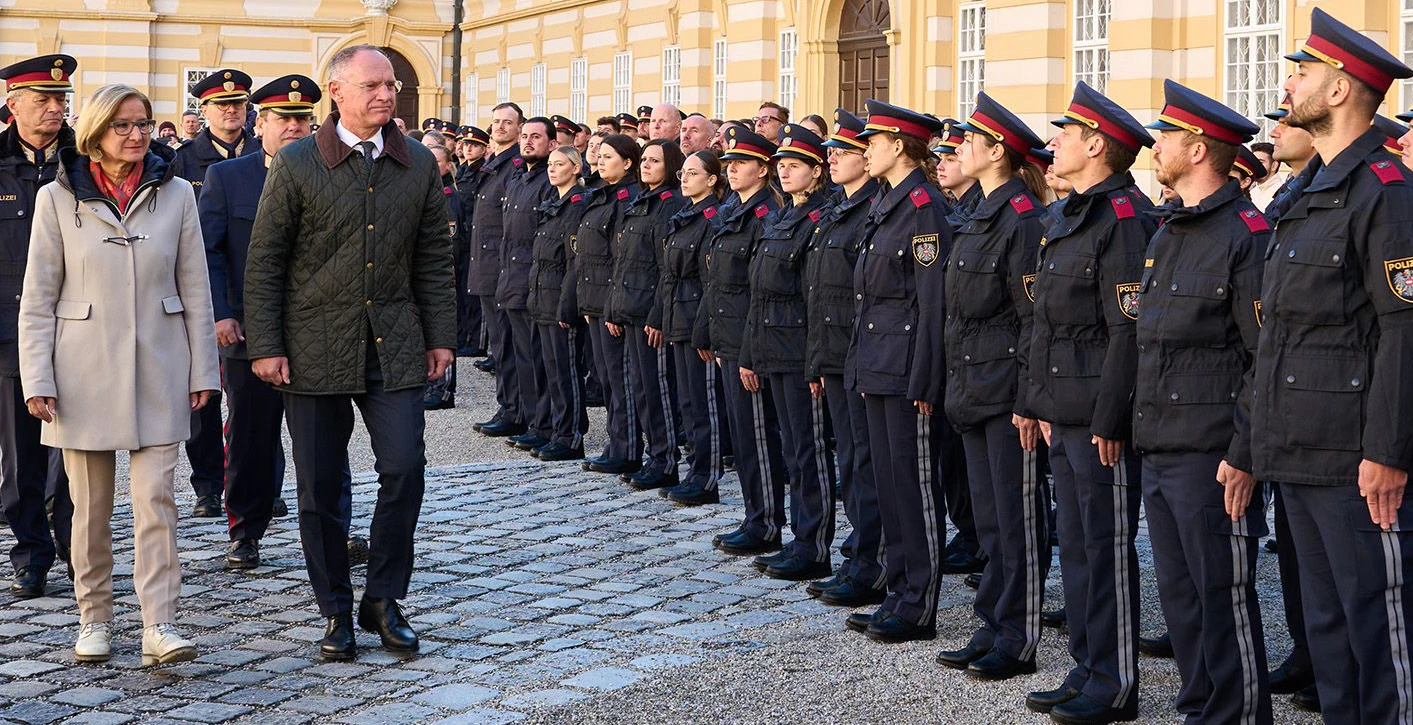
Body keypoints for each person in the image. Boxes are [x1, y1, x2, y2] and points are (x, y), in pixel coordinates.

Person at [243, 44, 457, 662]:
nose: (385, 94)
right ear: (336, 92)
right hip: (312, 346)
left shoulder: (417, 161)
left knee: (405, 469)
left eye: (391, 84)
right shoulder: (298, 161)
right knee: (319, 485)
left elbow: (432, 257)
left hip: (393, 343)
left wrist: (441, 336)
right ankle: (335, 609)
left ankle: (383, 599)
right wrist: (267, 345)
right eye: (372, 85)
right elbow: (266, 260)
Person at [20, 83, 220, 666]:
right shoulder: (56, 198)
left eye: (143, 124)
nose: (136, 135)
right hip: (81, 369)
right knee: (88, 508)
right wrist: (38, 378)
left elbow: (196, 288)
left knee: (157, 500)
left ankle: (160, 623)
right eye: (123, 125)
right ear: (96, 131)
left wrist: (203, 369)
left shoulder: (177, 192)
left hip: (161, 364)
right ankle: (94, 618)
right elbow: (38, 297)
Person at [1253, 10, 1413, 721]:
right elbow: (1281, 334)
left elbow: (1404, 329)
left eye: (1302, 73)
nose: (1288, 86)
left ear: (1341, 88)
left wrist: (1387, 451)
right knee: (1329, 636)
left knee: (1379, 636)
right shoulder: (1311, 192)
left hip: (1356, 460)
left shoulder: (1385, 191)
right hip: (1299, 448)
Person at [1137, 80, 1273, 724]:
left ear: (1197, 150)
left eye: (1166, 137)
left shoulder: (1245, 235)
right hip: (1161, 439)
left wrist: (1243, 452)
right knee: (1181, 595)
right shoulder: (1170, 232)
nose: (1155, 147)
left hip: (1213, 449)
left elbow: (1263, 355)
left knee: (1223, 594)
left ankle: (1237, 713)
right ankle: (1200, 706)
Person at [1024, 81, 1155, 725]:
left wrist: (1111, 418)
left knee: (1105, 545)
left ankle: (1115, 681)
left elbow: (1126, 331)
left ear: (1097, 145)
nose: (1054, 144)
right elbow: (1045, 323)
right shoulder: (1070, 214)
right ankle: (1086, 663)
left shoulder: (1123, 220)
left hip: (1100, 416)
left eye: (1066, 135)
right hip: (1064, 408)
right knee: (1076, 545)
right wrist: (1038, 402)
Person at [933, 92, 1051, 681]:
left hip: (1007, 392)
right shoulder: (983, 213)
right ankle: (992, 621)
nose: (958, 151)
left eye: (969, 143)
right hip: (973, 385)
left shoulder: (1022, 220)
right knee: (989, 518)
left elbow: (1033, 319)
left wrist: (1030, 399)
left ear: (997, 151)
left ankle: (1017, 636)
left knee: (1016, 518)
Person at [842, 100, 950, 644]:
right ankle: (897, 590)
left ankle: (917, 604)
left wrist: (926, 377)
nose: (865, 150)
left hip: (907, 369)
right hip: (878, 363)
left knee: (913, 487)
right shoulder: (889, 204)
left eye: (873, 142)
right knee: (888, 484)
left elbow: (932, 303)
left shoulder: (924, 209)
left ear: (900, 146)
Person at [201, 74, 312, 568]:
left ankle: (332, 527)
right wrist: (221, 313)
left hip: (316, 329)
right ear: (259, 123)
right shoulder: (228, 177)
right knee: (249, 435)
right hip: (247, 330)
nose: (293, 127)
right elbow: (209, 251)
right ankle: (245, 530)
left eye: (302, 119)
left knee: (322, 439)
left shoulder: (334, 174)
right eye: (283, 119)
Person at [739, 124, 836, 581]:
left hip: (799, 350)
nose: (785, 172)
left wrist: (815, 361)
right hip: (772, 346)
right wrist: (751, 352)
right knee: (792, 450)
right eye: (781, 165)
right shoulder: (782, 216)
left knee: (808, 451)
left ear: (816, 171)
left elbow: (816, 299)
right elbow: (759, 292)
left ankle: (813, 545)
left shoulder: (819, 218)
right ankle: (799, 538)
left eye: (795, 165)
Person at [0, 53, 75, 600]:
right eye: (43, 99)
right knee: (22, 454)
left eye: (61, 99)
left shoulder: (83, 161)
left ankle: (77, 548)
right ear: (13, 104)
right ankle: (30, 553)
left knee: (77, 452)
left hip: (77, 326)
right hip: (11, 330)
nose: (55, 108)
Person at [803, 109, 886, 606]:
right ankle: (859, 553)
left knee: (866, 463)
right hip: (835, 354)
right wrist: (817, 360)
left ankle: (871, 561)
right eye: (831, 151)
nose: (832, 159)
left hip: (860, 355)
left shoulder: (870, 209)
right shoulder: (840, 209)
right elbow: (820, 293)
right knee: (852, 462)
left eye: (843, 152)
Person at [172, 67, 258, 519]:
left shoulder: (265, 154)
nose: (230, 111)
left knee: (255, 402)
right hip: (199, 294)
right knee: (203, 398)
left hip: (251, 294)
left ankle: (262, 484)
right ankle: (207, 485)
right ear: (203, 110)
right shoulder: (184, 161)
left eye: (238, 104)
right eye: (221, 105)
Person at [698, 126, 787, 556]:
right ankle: (755, 515)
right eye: (729, 163)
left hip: (748, 340)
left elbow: (759, 291)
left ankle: (766, 522)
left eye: (741, 163)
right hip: (728, 335)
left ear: (763, 169)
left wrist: (749, 350)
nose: (731, 170)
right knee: (744, 432)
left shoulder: (765, 214)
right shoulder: (734, 208)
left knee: (757, 435)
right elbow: (717, 279)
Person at [607, 139, 687, 488]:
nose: (647, 166)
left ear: (671, 166)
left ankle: (665, 460)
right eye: (645, 160)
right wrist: (614, 307)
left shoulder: (669, 205)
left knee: (657, 390)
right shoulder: (641, 201)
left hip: (650, 312)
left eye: (655, 161)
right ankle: (652, 454)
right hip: (630, 307)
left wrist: (657, 316)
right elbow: (623, 262)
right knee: (640, 387)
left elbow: (666, 268)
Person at [656, 150, 727, 505]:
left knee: (703, 404)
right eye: (682, 172)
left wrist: (703, 330)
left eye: (693, 173)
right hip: (679, 318)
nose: (684, 178)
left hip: (697, 321)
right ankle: (694, 470)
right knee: (688, 401)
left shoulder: (712, 219)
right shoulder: (686, 215)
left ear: (712, 180)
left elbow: (710, 283)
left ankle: (706, 477)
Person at [573, 134, 643, 475]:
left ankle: (627, 447)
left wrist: (613, 306)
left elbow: (621, 259)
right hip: (595, 299)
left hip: (612, 303)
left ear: (627, 163)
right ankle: (616, 443)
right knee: (607, 376)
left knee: (620, 377)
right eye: (599, 156)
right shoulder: (602, 193)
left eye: (609, 156)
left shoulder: (627, 199)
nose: (600, 161)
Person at [495, 117, 556, 453]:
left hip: (534, 282)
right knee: (522, 356)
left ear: (551, 143)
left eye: (536, 137)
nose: (528, 142)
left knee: (538, 358)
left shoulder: (549, 180)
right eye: (525, 136)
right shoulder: (518, 179)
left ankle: (544, 424)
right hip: (512, 279)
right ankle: (530, 419)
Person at [527, 146, 590, 461]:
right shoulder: (554, 204)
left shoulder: (576, 206)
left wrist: (567, 305)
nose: (552, 169)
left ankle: (570, 437)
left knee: (566, 372)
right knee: (550, 369)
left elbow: (574, 263)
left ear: (576, 168)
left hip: (560, 302)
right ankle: (555, 429)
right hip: (543, 297)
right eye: (550, 164)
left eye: (560, 164)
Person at [467, 102, 525, 437]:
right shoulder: (493, 163)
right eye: (496, 122)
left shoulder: (514, 165)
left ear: (519, 128)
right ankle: (508, 405)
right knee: (500, 344)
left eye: (507, 122)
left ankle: (514, 409)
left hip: (501, 267)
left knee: (507, 345)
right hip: (486, 265)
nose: (500, 127)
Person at [423, 143, 468, 410]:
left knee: (442, 330)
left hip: (445, 272)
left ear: (448, 165)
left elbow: (452, 242)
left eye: (436, 162)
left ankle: (443, 390)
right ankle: (432, 383)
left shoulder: (448, 196)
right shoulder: (429, 190)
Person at [453, 125, 490, 357]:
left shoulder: (482, 172)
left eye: (474, 145)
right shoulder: (461, 171)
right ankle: (463, 336)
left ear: (484, 149)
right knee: (460, 292)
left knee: (472, 295)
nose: (468, 149)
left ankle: (476, 341)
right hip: (461, 237)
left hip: (474, 238)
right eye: (466, 144)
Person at [1247, 141, 1284, 211]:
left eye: (1260, 162)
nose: (1255, 166)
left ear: (1274, 166)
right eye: (1253, 162)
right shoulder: (1253, 192)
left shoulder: (1282, 193)